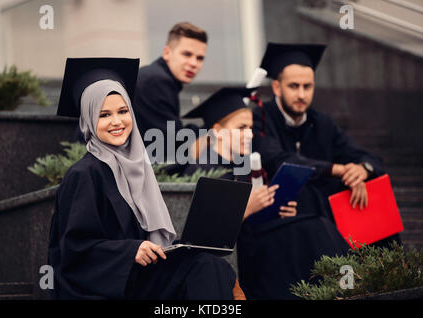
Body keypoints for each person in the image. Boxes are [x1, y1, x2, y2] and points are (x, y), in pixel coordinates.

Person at [48, 57, 239, 299]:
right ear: (88, 119)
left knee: (210, 264)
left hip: (138, 276)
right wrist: (130, 252)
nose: (117, 121)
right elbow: (74, 250)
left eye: (123, 111)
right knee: (202, 270)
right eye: (104, 114)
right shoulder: (84, 174)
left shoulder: (138, 167)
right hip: (106, 283)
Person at [182, 87, 349, 299]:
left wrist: (275, 209)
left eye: (251, 128)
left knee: (315, 224)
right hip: (242, 254)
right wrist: (249, 207)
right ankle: (343, 287)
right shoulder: (202, 169)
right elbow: (201, 235)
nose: (250, 135)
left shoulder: (240, 166)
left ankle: (345, 287)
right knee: (311, 230)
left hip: (258, 241)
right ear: (217, 131)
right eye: (241, 128)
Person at [252, 43, 401, 248]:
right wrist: (337, 169)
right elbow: (279, 160)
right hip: (283, 214)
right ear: (277, 87)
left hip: (328, 213)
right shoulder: (259, 118)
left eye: (308, 86)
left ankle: (388, 272)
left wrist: (361, 170)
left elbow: (366, 157)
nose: (302, 95)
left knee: (371, 184)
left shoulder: (322, 123)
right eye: (294, 86)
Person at [132, 22, 207, 163]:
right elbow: (171, 144)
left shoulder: (157, 77)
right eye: (187, 54)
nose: (193, 63)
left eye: (199, 58)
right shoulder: (156, 81)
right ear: (167, 53)